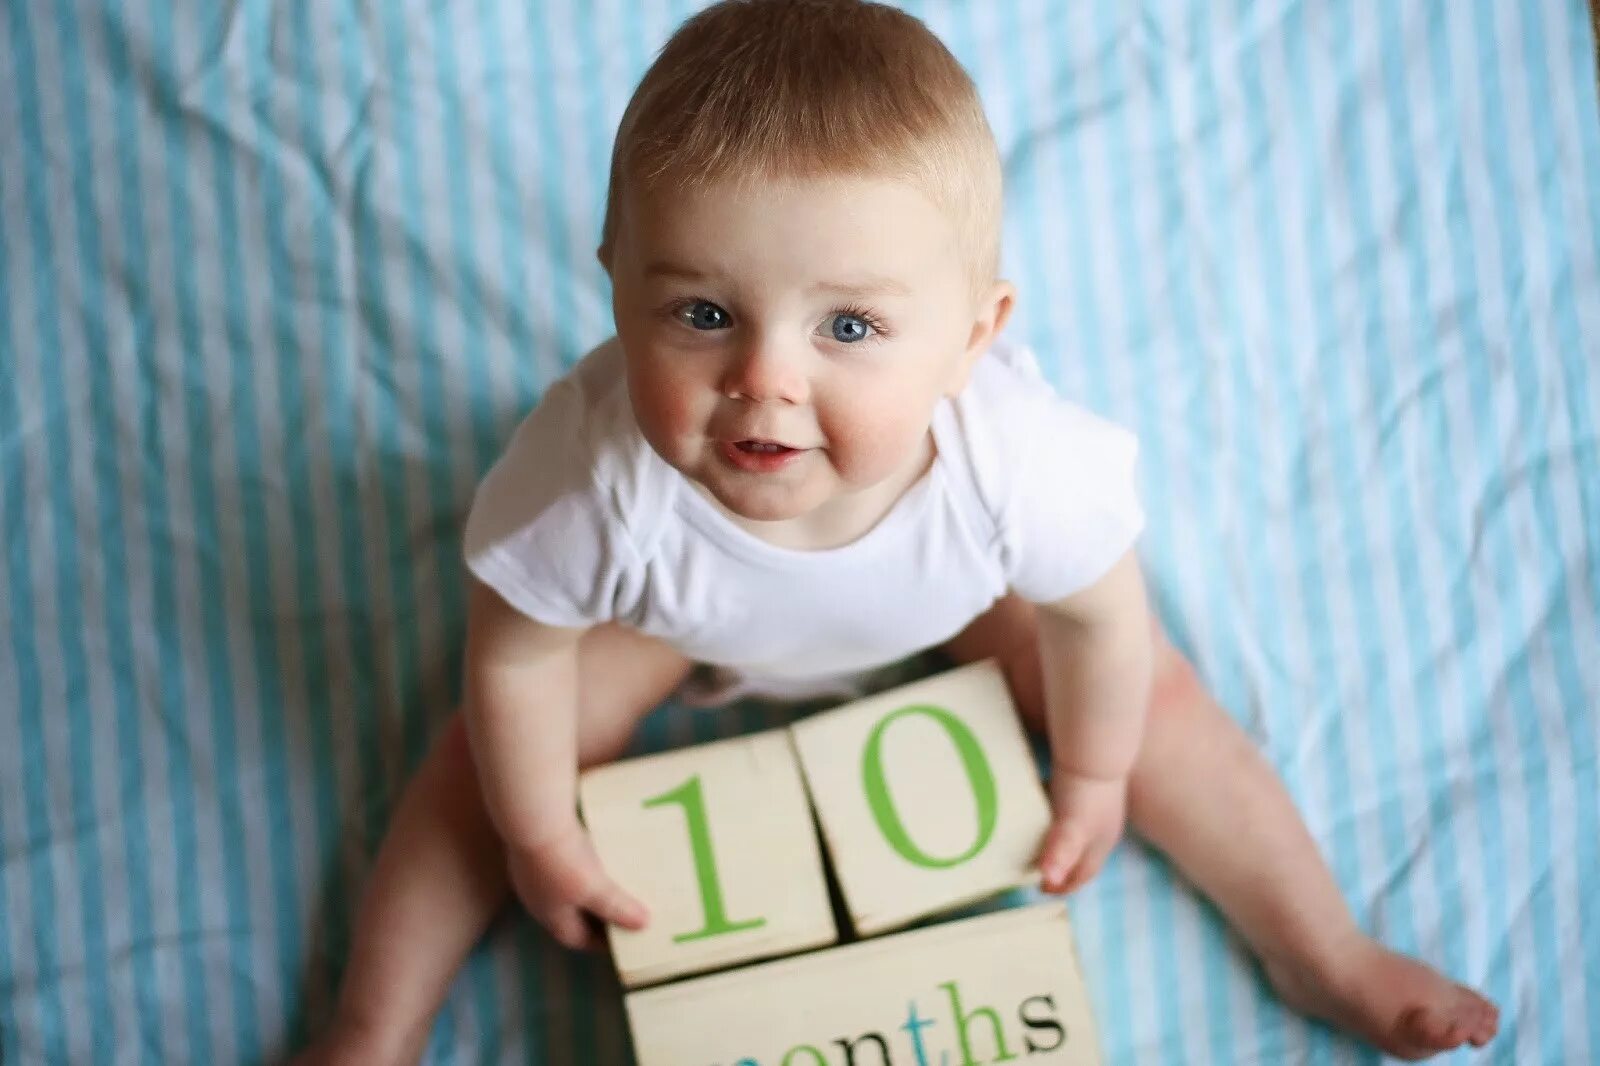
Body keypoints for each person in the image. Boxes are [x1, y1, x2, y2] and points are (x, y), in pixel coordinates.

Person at [295, 1, 1498, 1061]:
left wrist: (1087, 768)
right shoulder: (589, 486)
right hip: (673, 620)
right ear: (615, 280)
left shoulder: (1016, 467)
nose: (764, 380)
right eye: (703, 313)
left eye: (851, 329)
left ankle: (1323, 950)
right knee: (481, 757)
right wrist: (541, 829)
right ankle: (372, 1029)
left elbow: (1096, 618)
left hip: (955, 594)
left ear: (976, 335)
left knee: (1156, 701)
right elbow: (514, 653)